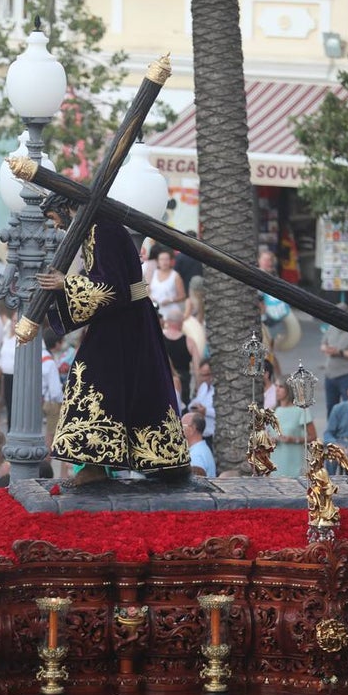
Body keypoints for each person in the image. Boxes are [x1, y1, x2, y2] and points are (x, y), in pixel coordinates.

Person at [35, 193, 188, 486]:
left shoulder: (100, 230)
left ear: (66, 208)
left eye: (55, 221)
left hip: (123, 323)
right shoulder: (97, 229)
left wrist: (65, 284)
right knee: (138, 388)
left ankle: (96, 465)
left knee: (92, 379)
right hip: (126, 322)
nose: (57, 228)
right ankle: (153, 461)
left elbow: (113, 288)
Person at [320, 306, 348, 414]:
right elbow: (322, 344)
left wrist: (339, 353)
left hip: (346, 374)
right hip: (330, 374)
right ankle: (332, 429)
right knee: (331, 407)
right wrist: (327, 349)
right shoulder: (332, 327)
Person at [180, 412, 216, 477]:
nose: (179, 429)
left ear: (193, 428)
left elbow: (193, 485)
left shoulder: (195, 455)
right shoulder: (201, 449)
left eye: (182, 426)